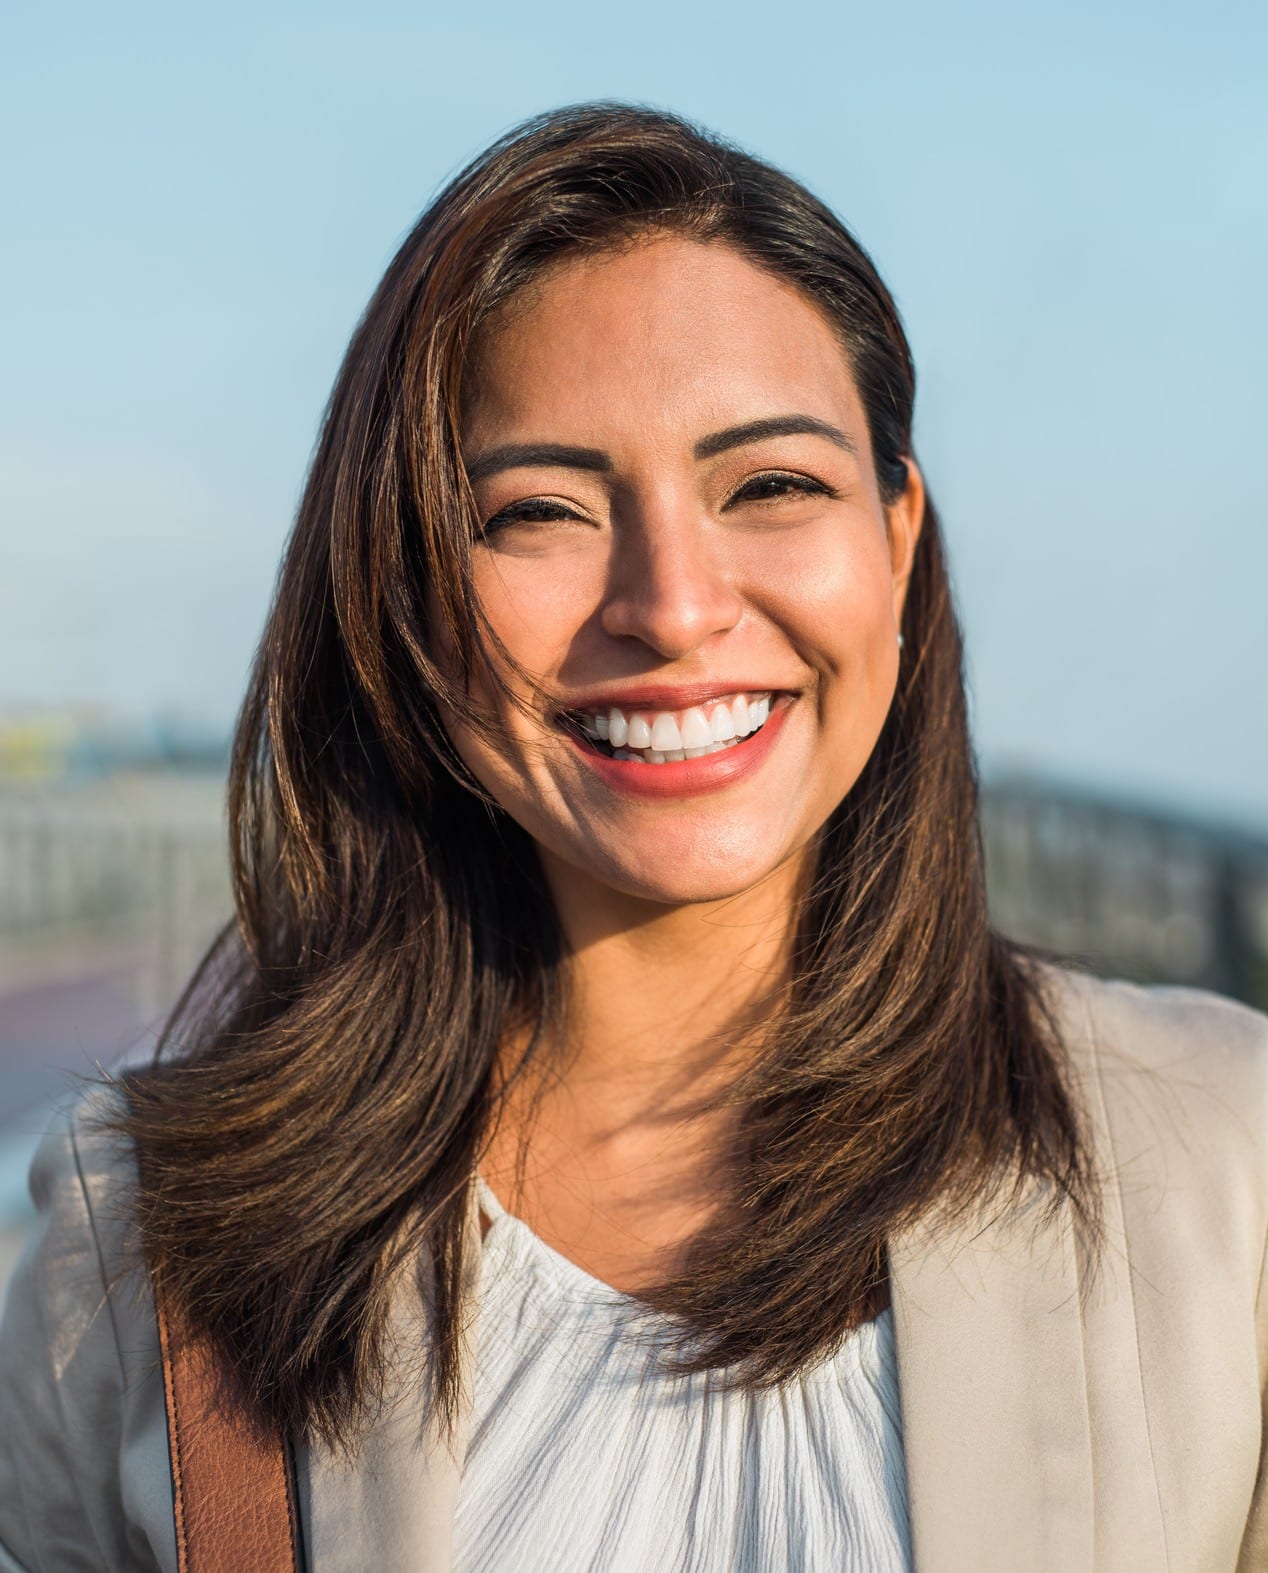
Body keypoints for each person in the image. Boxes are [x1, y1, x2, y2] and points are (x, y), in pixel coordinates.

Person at [1, 102, 1266, 1573]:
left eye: (774, 486)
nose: (671, 606)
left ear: (901, 540)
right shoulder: (150, 1238)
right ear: (403, 593)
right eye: (539, 511)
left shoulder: (1224, 1167)